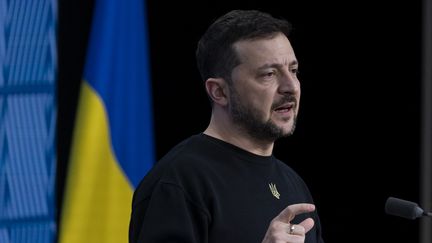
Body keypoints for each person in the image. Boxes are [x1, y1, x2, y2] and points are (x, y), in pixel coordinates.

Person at [129, 9, 325, 243]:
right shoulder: (180, 181)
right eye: (269, 74)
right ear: (219, 92)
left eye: (293, 71)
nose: (291, 86)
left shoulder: (293, 184)